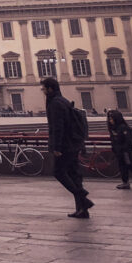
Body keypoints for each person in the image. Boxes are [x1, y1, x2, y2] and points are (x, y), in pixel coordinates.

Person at [42, 76, 94, 218]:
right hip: (73, 143)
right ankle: (82, 209)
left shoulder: (55, 103)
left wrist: (57, 147)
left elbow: (58, 127)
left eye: (44, 88)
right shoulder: (63, 101)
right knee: (74, 174)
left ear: (50, 89)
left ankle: (82, 197)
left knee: (59, 172)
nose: (43, 91)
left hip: (65, 145)